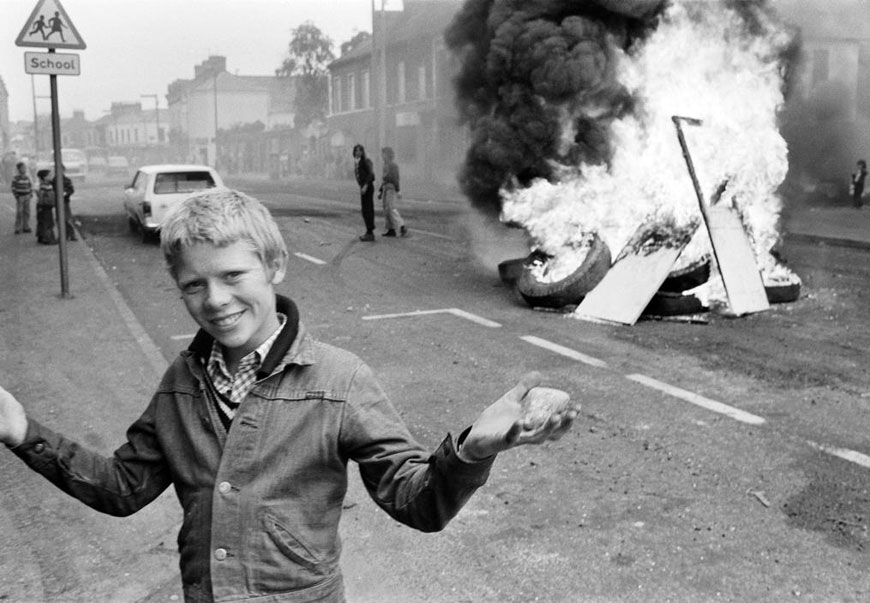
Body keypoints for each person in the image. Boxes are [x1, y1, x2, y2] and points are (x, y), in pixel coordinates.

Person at [0, 188, 579, 603]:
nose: (216, 299)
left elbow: (417, 502)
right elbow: (123, 489)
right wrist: (23, 431)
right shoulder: (180, 382)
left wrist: (473, 452)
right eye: (194, 285)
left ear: (274, 266)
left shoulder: (340, 380)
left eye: (233, 276)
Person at [378, 146, 408, 237]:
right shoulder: (385, 165)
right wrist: (380, 191)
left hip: (391, 188)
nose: (382, 156)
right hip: (385, 188)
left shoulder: (393, 165)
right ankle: (390, 229)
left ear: (389, 155)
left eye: (384, 154)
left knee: (390, 208)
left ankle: (401, 226)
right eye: (382, 154)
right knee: (386, 209)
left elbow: (395, 178)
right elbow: (384, 180)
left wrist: (398, 190)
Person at [352, 144, 376, 242]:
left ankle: (370, 232)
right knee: (364, 210)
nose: (358, 152)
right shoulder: (357, 163)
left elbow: (371, 174)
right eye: (356, 151)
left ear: (362, 152)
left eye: (360, 150)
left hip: (368, 188)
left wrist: (365, 185)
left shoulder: (365, 161)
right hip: (363, 188)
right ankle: (368, 231)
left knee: (368, 209)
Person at [52, 165, 77, 241]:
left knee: (67, 219)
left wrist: (66, 193)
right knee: (59, 219)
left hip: (65, 201)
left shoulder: (67, 180)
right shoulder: (54, 180)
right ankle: (62, 235)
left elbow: (71, 190)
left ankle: (72, 234)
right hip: (57, 202)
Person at [35, 169, 58, 245]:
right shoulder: (45, 186)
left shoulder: (45, 185)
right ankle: (47, 239)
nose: (51, 177)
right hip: (45, 207)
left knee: (42, 222)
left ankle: (41, 237)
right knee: (48, 223)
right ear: (44, 177)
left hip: (44, 207)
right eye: (49, 175)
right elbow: (42, 197)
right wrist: (41, 206)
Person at [10, 160, 33, 235]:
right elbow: (13, 188)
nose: (24, 169)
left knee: (27, 212)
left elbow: (30, 186)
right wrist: (16, 195)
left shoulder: (27, 177)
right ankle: (17, 227)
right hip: (20, 197)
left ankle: (26, 227)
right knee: (19, 212)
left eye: (25, 168)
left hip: (27, 196)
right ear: (19, 169)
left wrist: (30, 194)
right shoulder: (16, 178)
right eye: (22, 168)